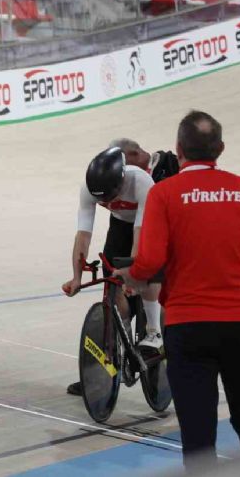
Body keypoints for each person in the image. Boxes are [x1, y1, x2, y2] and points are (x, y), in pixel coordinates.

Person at [114, 110, 240, 469]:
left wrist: (131, 276)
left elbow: (148, 263)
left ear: (178, 150)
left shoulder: (164, 194)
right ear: (220, 149)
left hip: (188, 325)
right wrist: (239, 271)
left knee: (197, 433)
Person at [62, 145, 162, 396]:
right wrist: (76, 276)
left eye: (110, 197)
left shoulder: (141, 182)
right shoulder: (89, 188)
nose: (105, 202)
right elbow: (82, 235)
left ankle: (154, 332)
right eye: (102, 200)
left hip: (147, 223)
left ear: (121, 181)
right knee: (112, 285)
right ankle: (122, 346)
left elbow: (140, 239)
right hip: (120, 225)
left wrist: (135, 275)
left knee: (147, 270)